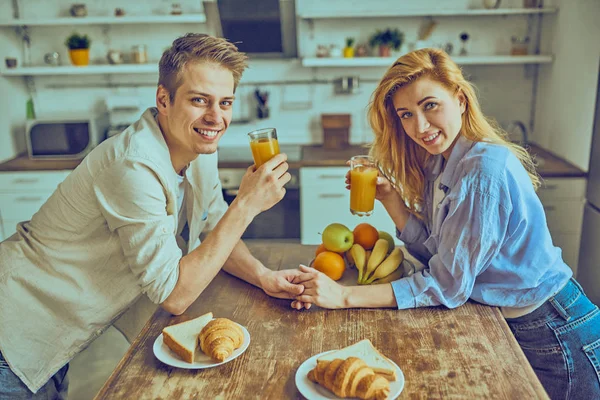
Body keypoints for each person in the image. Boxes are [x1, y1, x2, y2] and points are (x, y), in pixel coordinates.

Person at [0, 33, 305, 398]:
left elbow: (212, 228)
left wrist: (264, 276)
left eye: (225, 103)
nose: (216, 117)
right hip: (14, 330)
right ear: (164, 99)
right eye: (199, 100)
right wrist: (247, 204)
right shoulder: (132, 167)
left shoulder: (199, 148)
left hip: (57, 332)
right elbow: (174, 295)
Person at [291, 48, 600, 399]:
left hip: (554, 328)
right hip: (511, 322)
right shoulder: (441, 164)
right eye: (406, 115)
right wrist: (391, 199)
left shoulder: (483, 170)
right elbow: (439, 255)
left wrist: (345, 296)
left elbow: (447, 283)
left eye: (430, 105)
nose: (419, 127)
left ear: (461, 99)